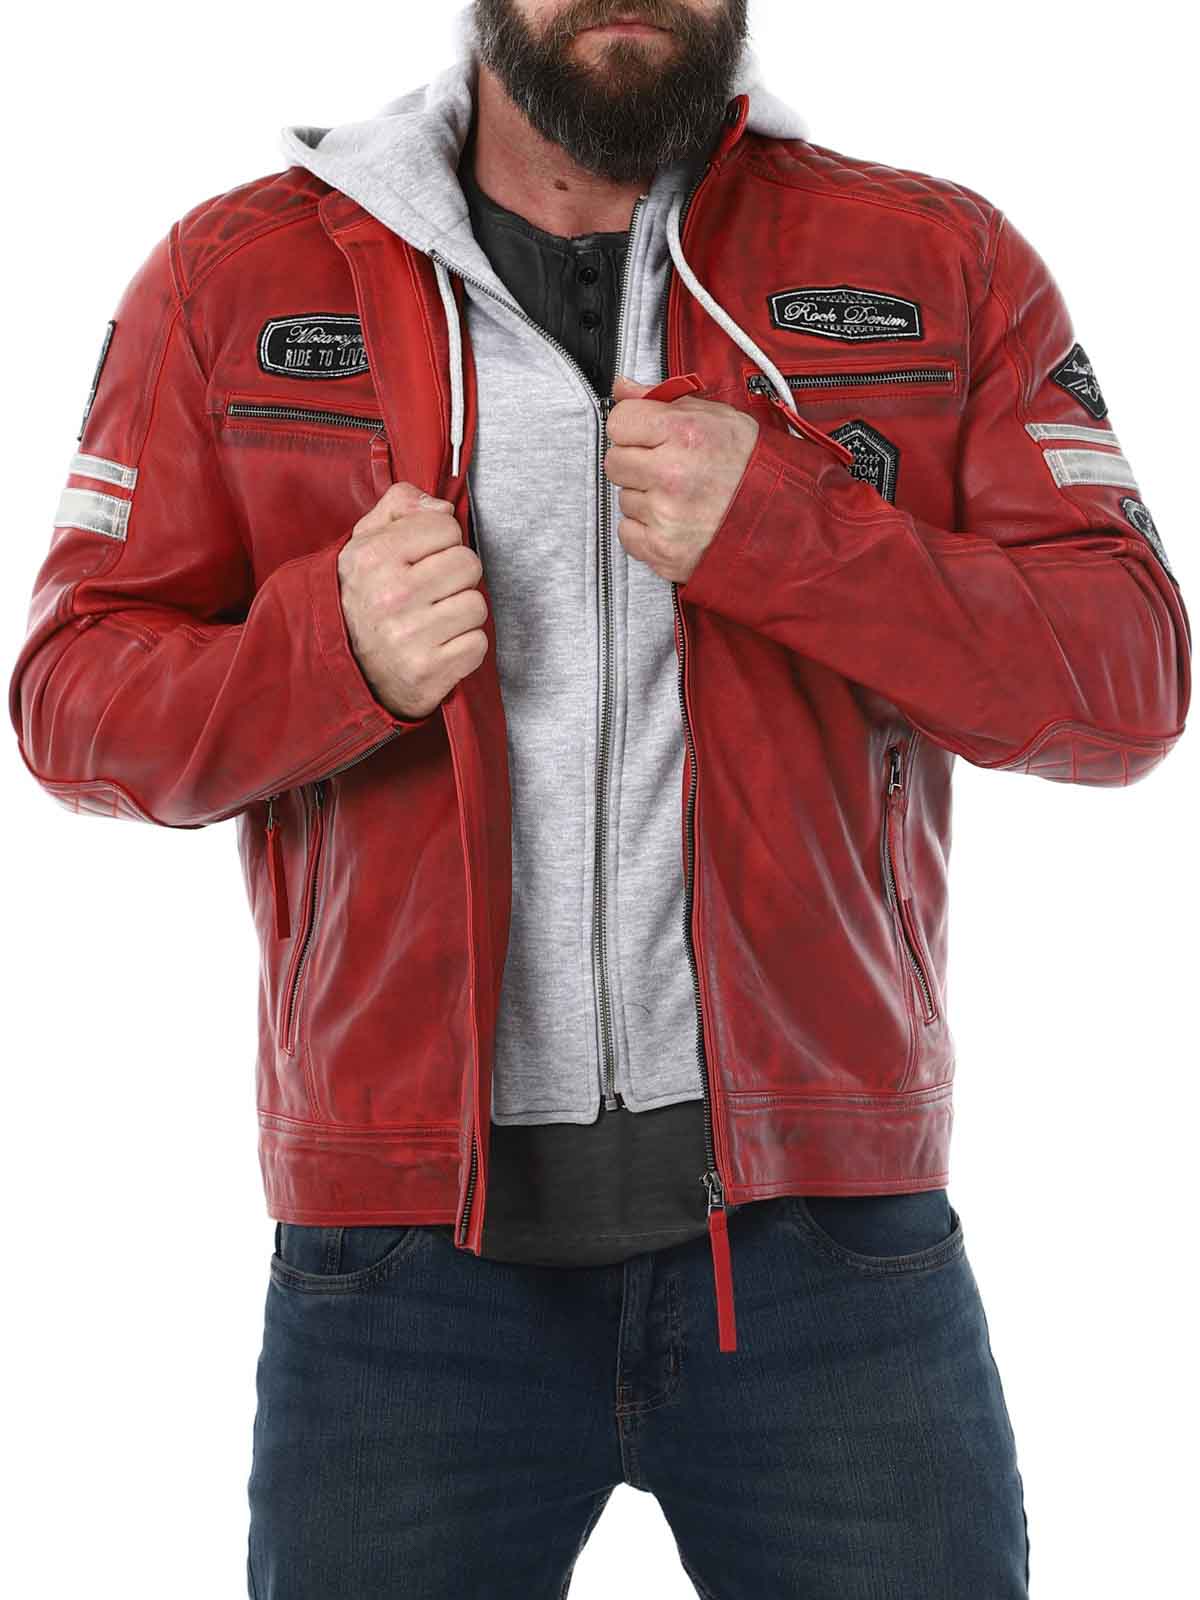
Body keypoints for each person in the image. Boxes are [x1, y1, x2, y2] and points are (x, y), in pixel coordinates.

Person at [9, 1, 1190, 1595]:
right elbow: (73, 694)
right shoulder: (238, 274)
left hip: (829, 1236)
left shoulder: (938, 258)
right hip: (403, 1265)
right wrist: (328, 655)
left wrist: (790, 536)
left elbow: (1127, 678)